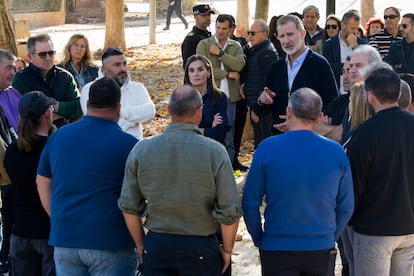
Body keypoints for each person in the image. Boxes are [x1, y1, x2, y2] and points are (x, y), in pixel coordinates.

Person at [118, 85, 242, 276]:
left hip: (158, 244)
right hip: (200, 245)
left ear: (168, 110)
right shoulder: (215, 151)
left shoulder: (142, 150)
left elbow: (128, 206)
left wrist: (142, 245)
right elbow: (229, 209)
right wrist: (226, 249)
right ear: (199, 112)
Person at [243, 87, 354, 276]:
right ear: (319, 117)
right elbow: (346, 206)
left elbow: (249, 201)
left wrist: (258, 237)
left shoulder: (267, 148)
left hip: (276, 244)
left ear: (288, 112)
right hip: (320, 246)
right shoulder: (336, 152)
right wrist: (329, 235)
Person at [36, 77, 138, 275]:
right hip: (111, 240)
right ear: (118, 108)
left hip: (66, 238)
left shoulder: (58, 137)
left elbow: (42, 182)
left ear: (88, 104)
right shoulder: (129, 145)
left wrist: (58, 217)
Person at [347, 67, 414, 275]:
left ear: (370, 97)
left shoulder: (364, 134)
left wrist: (352, 220)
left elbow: (354, 185)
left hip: (373, 231)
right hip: (409, 227)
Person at [254, 14, 338, 135]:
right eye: (282, 36)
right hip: (280, 139)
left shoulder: (320, 64)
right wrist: (261, 101)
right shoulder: (275, 68)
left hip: (309, 139)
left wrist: (301, 124)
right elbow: (260, 110)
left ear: (303, 33)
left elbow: (331, 105)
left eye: (290, 34)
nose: (286, 40)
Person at [4, 91, 56, 276]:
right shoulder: (53, 148)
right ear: (47, 113)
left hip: (20, 231)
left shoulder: (12, 150)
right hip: (48, 231)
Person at [196, 14, 246, 166]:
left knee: (228, 135)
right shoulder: (204, 44)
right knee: (208, 131)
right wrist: (227, 73)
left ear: (231, 29)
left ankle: (228, 168)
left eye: (224, 28)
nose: (220, 31)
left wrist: (221, 54)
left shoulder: (235, 46)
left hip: (231, 98)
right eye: (218, 27)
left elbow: (239, 65)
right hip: (209, 95)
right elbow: (203, 69)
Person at [80, 47, 155, 140]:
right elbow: (94, 119)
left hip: (133, 147)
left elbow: (150, 111)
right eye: (117, 65)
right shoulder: (90, 89)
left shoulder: (137, 88)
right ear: (104, 69)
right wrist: (133, 120)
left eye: (124, 64)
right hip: (102, 144)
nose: (123, 69)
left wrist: (122, 112)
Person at [12, 34, 82, 128]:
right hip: (35, 138)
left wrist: (56, 106)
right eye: (42, 54)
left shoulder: (65, 76)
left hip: (65, 133)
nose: (48, 58)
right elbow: (28, 116)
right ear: (30, 57)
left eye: (51, 53)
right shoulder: (20, 80)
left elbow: (78, 108)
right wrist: (63, 112)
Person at [243, 19, 279, 148]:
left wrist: (258, 109)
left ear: (264, 34)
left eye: (253, 33)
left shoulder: (266, 53)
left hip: (262, 107)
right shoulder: (258, 51)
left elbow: (267, 83)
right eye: (249, 33)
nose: (250, 36)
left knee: (264, 142)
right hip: (255, 103)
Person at [0, 49, 20, 274]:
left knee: (11, 218)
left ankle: (7, 258)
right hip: (2, 171)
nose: (13, 72)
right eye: (8, 67)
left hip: (15, 168)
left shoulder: (14, 94)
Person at [184, 54, 229, 144]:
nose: (196, 74)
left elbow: (220, 133)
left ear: (208, 72)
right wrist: (210, 129)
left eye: (200, 70)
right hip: (189, 148)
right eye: (191, 71)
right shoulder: (182, 98)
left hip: (214, 148)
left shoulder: (219, 97)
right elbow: (181, 132)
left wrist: (193, 130)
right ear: (188, 74)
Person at [323, 10, 368, 93]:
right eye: (352, 28)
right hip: (337, 92)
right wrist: (349, 67)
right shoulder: (329, 44)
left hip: (358, 92)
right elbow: (328, 67)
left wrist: (355, 47)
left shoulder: (363, 43)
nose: (355, 31)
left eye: (356, 28)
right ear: (343, 25)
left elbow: (365, 66)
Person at [181, 4, 215, 68]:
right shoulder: (191, 39)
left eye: (209, 15)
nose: (207, 18)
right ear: (195, 16)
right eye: (204, 15)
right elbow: (188, 66)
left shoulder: (209, 35)